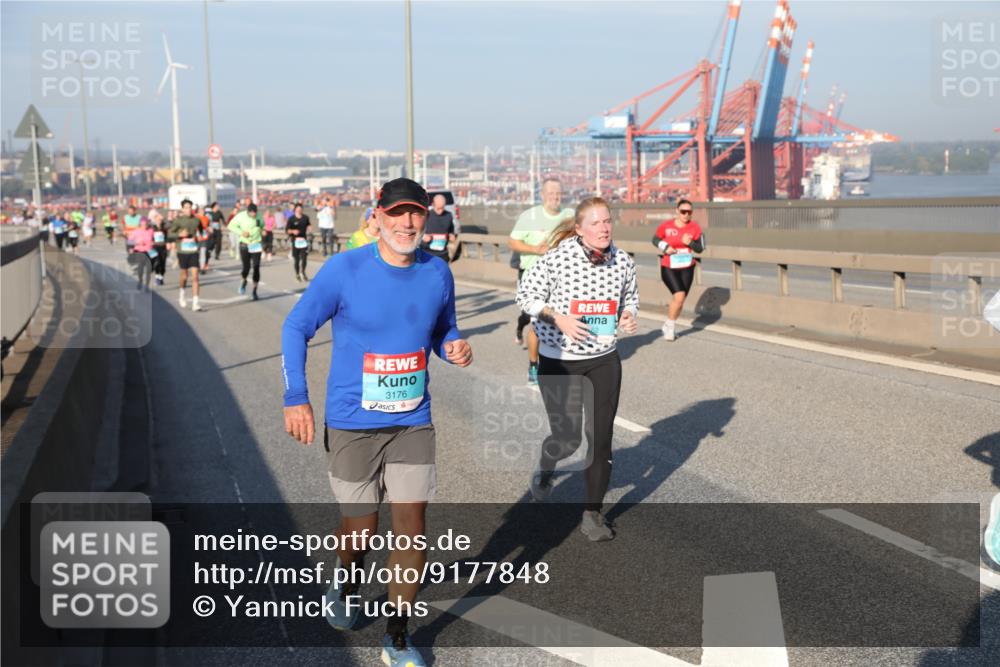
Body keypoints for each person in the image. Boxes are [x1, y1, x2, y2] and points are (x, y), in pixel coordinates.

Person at [282, 178, 472, 667]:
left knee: (412, 532)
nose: (407, 223)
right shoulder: (344, 270)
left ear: (426, 218)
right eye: (397, 214)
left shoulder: (438, 272)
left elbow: (442, 326)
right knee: (361, 532)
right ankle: (346, 577)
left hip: (412, 420)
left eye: (415, 214)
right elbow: (296, 326)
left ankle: (398, 635)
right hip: (352, 422)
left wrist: (451, 346)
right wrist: (296, 397)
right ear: (377, 216)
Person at [515, 196, 639, 541]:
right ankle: (547, 465)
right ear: (580, 228)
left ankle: (592, 514)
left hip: (603, 358)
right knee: (566, 438)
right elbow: (525, 297)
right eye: (596, 223)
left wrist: (628, 315)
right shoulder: (557, 259)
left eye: (608, 221)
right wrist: (559, 317)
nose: (604, 227)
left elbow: (630, 297)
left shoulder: (623, 261)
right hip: (559, 358)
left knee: (599, 439)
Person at [508, 177, 574, 384]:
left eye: (558, 193)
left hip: (562, 276)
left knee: (563, 318)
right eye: (551, 193)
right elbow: (513, 242)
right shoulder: (529, 216)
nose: (555, 197)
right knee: (536, 321)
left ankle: (565, 361)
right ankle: (534, 365)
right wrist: (535, 249)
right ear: (543, 195)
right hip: (532, 276)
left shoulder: (570, 215)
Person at [652, 199, 705, 341]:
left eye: (689, 212)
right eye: (683, 211)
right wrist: (665, 247)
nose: (686, 214)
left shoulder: (695, 228)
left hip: (687, 267)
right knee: (680, 296)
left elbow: (700, 248)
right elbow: (655, 239)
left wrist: (691, 243)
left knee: (679, 300)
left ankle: (668, 324)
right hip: (669, 266)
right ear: (677, 211)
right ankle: (670, 327)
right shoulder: (666, 226)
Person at [170, 199, 204, 311]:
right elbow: (170, 233)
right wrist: (180, 234)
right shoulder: (178, 220)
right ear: (182, 209)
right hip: (182, 251)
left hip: (193, 250)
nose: (188, 209)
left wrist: (200, 237)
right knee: (184, 276)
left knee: (195, 277)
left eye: (190, 207)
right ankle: (182, 294)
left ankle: (195, 303)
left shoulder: (196, 220)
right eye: (186, 207)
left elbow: (201, 231)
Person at [228, 202, 264, 300]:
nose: (253, 215)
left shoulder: (259, 216)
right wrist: (241, 233)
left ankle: (254, 291)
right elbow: (230, 226)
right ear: (247, 212)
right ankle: (244, 280)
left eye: (255, 213)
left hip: (256, 244)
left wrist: (262, 231)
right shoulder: (240, 216)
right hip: (244, 244)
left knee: (256, 267)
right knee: (246, 268)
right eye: (251, 213)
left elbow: (262, 226)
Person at [420, 194, 456, 263]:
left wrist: (452, 235)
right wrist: (423, 237)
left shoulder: (448, 215)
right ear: (433, 205)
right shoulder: (426, 215)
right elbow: (417, 232)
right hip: (427, 253)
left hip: (443, 254)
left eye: (442, 208)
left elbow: (451, 230)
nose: (440, 211)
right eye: (438, 208)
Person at [128, 218, 155, 290]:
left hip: (149, 251)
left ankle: (147, 285)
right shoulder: (136, 232)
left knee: (149, 269)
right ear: (140, 224)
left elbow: (155, 239)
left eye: (146, 224)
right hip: (139, 250)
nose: (144, 226)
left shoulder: (151, 230)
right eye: (143, 224)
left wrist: (154, 242)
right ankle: (140, 280)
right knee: (141, 267)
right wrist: (137, 243)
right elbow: (129, 242)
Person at [286, 202, 311, 281]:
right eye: (297, 209)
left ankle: (303, 272)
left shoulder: (305, 217)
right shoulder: (291, 219)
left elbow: (309, 225)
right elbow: (287, 230)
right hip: (295, 241)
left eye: (300, 209)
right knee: (297, 260)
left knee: (304, 258)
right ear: (295, 210)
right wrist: (293, 231)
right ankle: (297, 273)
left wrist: (310, 229)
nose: (299, 211)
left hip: (303, 241)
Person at [151, 216, 169, 286]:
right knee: (156, 263)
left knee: (163, 263)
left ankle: (161, 277)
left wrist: (168, 243)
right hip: (155, 247)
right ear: (155, 220)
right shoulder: (152, 228)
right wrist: (151, 242)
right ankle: (157, 277)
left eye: (160, 220)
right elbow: (150, 236)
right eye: (157, 220)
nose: (159, 221)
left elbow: (167, 237)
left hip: (163, 247)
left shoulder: (164, 228)